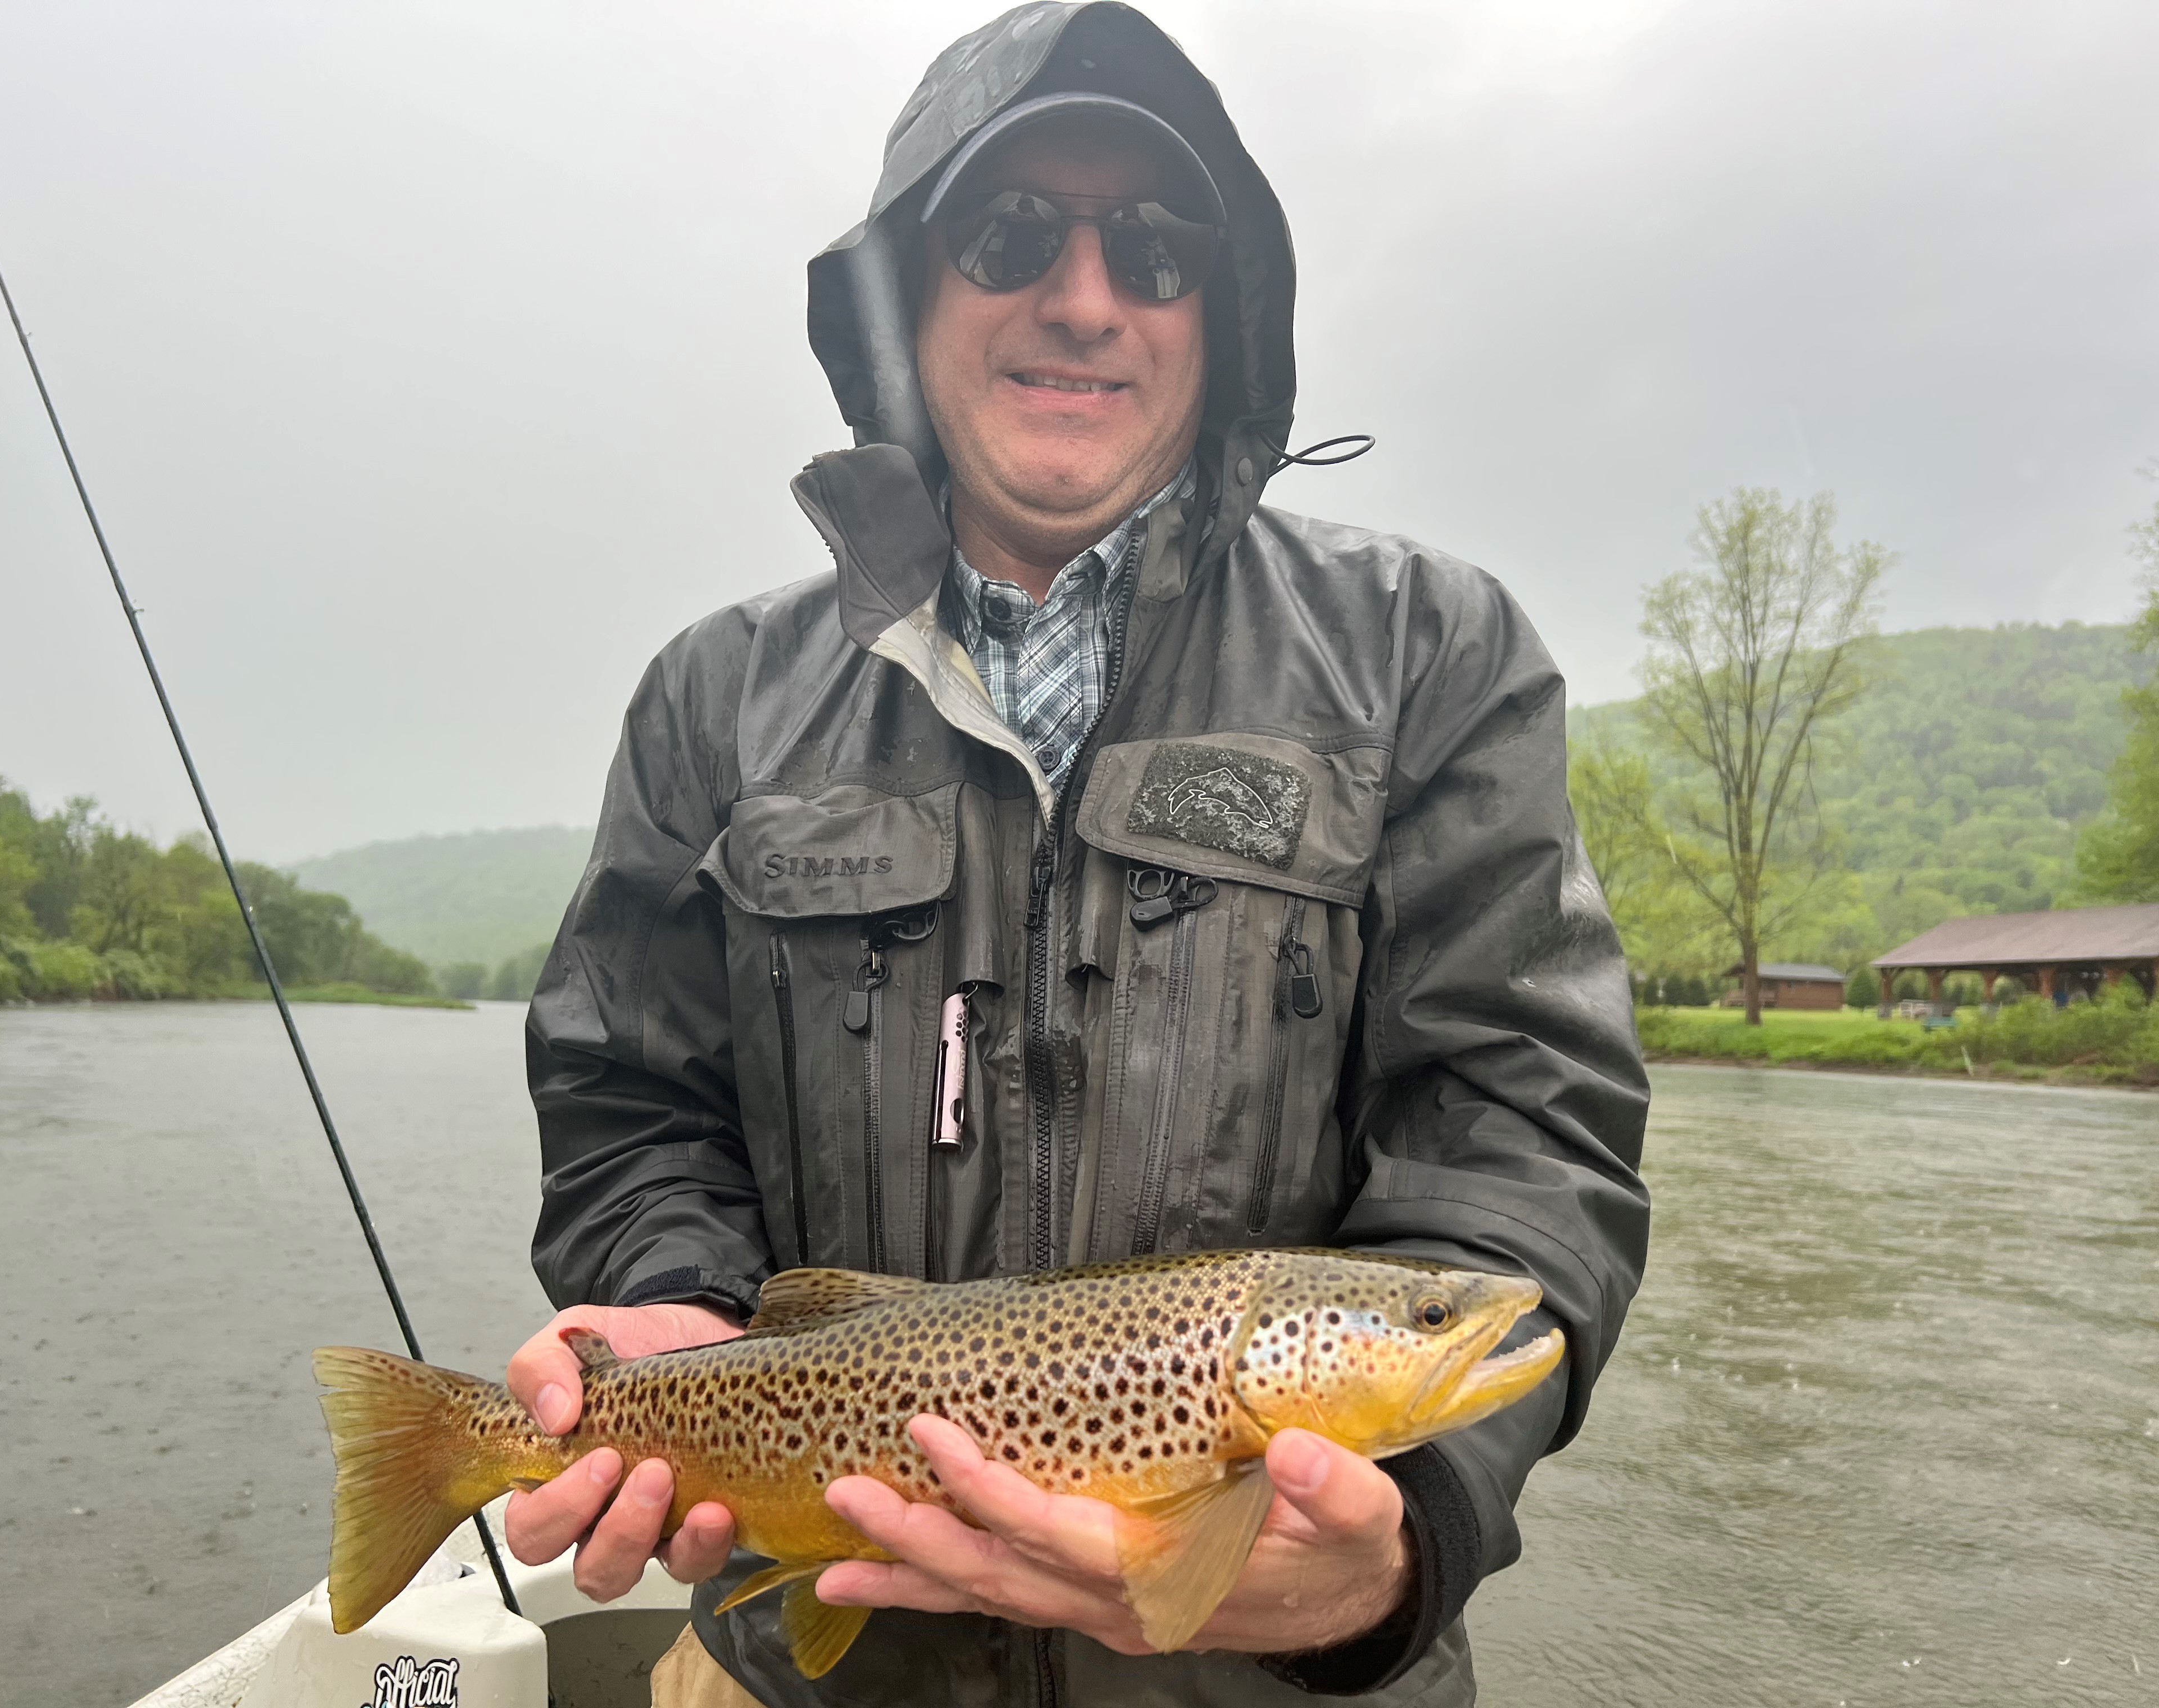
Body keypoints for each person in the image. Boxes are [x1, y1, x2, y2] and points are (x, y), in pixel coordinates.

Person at [502, 7, 1649, 1705]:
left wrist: (1397, 1542)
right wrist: (671, 1295)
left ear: (1224, 313)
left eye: (1159, 248)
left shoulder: (1433, 653)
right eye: (1010, 232)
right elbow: (630, 1105)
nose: (1087, 298)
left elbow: (1523, 1134)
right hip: (804, 1658)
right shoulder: (712, 697)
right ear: (907, 296)